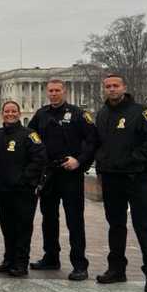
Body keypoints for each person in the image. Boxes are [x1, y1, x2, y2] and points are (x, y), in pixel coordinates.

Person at [94, 74, 147, 292]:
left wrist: (134, 159)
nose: (112, 89)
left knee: (143, 225)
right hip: (111, 178)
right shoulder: (103, 114)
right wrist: (101, 164)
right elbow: (99, 143)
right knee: (115, 226)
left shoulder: (141, 112)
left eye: (116, 86)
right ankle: (116, 269)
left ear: (124, 87)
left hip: (136, 177)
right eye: (108, 86)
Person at [28, 79, 97, 281]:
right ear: (47, 93)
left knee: (74, 220)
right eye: (51, 91)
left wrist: (80, 161)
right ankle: (51, 257)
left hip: (70, 173)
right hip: (49, 174)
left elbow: (92, 141)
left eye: (57, 90)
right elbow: (30, 137)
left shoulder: (78, 114)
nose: (54, 94)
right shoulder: (41, 114)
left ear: (64, 92)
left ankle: (79, 264)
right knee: (48, 219)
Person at [0, 101, 47, 277]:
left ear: (19, 113)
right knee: (6, 225)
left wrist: (24, 179)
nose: (10, 114)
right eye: (6, 111)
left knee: (22, 226)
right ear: (2, 114)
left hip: (24, 190)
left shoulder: (29, 135)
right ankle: (9, 259)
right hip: (4, 189)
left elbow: (39, 158)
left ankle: (21, 262)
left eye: (13, 111)